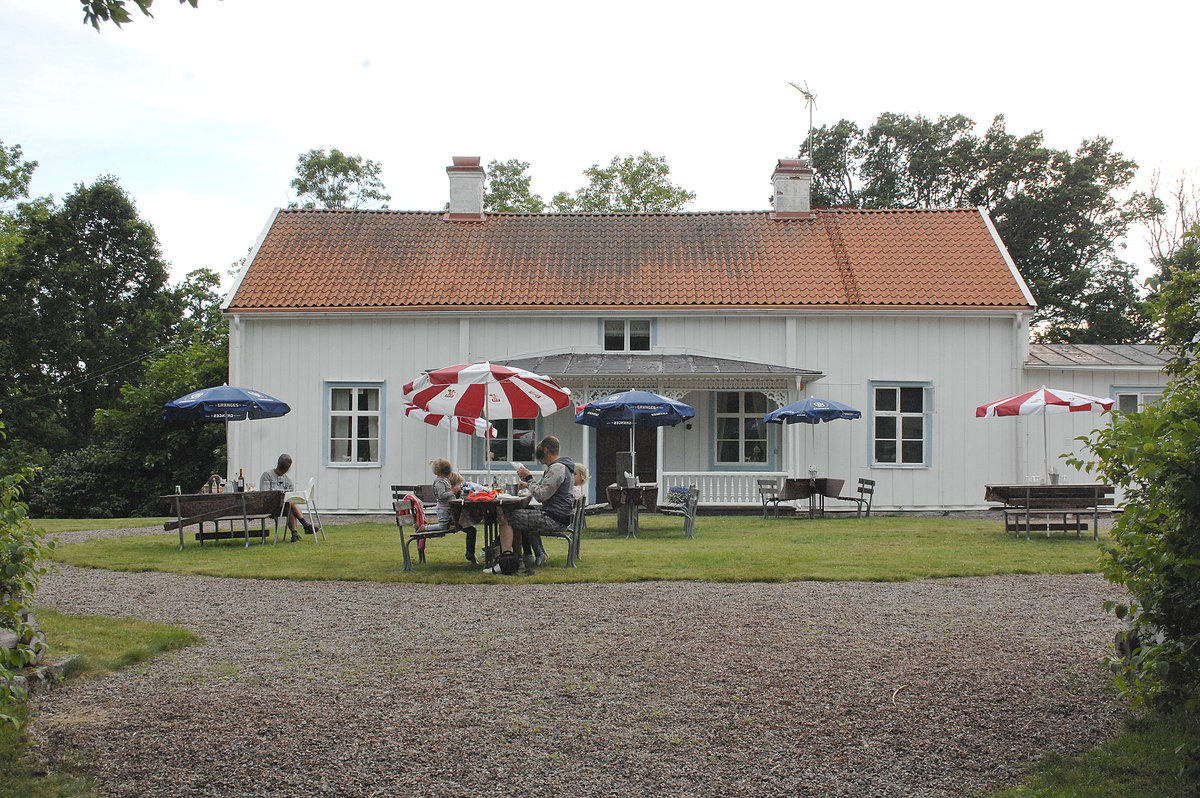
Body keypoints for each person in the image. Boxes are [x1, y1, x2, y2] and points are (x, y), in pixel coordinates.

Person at [484, 436, 574, 575]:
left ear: (546, 451)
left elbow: (540, 495)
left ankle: (505, 563)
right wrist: (528, 484)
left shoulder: (557, 468)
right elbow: (546, 490)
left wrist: (529, 478)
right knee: (520, 513)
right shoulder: (564, 467)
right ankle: (518, 560)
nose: (540, 460)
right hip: (558, 516)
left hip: (553, 519)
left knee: (507, 517)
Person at [417, 460, 478, 564]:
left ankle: (470, 553)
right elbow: (441, 495)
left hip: (450, 511)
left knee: (472, 530)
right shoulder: (439, 482)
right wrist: (452, 491)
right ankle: (425, 528)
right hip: (444, 510)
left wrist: (457, 492)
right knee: (442, 527)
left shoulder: (446, 481)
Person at [259, 453, 315, 542]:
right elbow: (264, 494)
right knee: (290, 503)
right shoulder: (267, 475)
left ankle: (295, 535)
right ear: (278, 464)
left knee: (289, 504)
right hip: (270, 506)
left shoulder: (288, 479)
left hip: (284, 506)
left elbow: (291, 494)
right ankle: (304, 525)